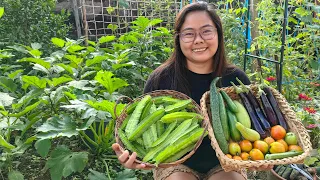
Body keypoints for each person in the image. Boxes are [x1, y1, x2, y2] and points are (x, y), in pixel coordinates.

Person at [112, 1, 271, 179]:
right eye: (189, 34)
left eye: (206, 31)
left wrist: (261, 152)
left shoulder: (236, 79)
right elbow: (144, 125)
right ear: (178, 38)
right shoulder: (161, 79)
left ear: (218, 34)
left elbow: (255, 125)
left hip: (227, 160)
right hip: (175, 161)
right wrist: (136, 156)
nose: (198, 40)